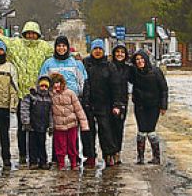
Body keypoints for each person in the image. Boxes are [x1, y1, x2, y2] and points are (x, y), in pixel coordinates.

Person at [0, 18, 54, 165]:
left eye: (33, 33)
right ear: (24, 33)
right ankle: (23, 155)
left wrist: (76, 58)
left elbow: (59, 54)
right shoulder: (15, 44)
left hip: (38, 95)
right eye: (28, 33)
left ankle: (36, 157)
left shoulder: (44, 47)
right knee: (22, 127)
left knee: (38, 128)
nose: (30, 36)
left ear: (38, 34)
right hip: (20, 94)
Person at [81, 39, 121, 168]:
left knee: (106, 130)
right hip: (88, 103)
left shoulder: (109, 66)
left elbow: (116, 86)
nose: (97, 51)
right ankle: (90, 156)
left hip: (105, 103)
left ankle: (108, 155)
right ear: (91, 50)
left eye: (100, 49)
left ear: (103, 51)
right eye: (95, 49)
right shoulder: (85, 63)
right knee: (88, 131)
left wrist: (116, 104)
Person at [130, 50, 168, 164]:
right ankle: (140, 157)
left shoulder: (156, 72)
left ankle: (156, 157)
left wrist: (163, 105)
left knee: (151, 131)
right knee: (141, 131)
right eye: (137, 59)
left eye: (142, 59)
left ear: (146, 59)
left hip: (153, 106)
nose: (140, 61)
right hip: (140, 105)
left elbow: (164, 89)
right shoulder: (134, 73)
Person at [49, 72, 88, 170]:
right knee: (60, 146)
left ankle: (74, 163)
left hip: (72, 125)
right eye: (54, 83)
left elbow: (78, 109)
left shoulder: (70, 93)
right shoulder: (50, 96)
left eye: (58, 82)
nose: (56, 85)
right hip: (59, 125)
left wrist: (84, 124)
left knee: (72, 145)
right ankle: (61, 163)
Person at [19, 75, 54, 169]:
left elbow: (51, 114)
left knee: (42, 144)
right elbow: (24, 109)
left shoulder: (49, 99)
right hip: (32, 125)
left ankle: (43, 161)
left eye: (46, 86)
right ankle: (33, 161)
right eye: (42, 86)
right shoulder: (31, 96)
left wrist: (51, 126)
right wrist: (26, 122)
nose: (43, 88)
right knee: (32, 144)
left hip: (43, 125)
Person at [109, 43, 131, 164]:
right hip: (108, 101)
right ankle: (109, 153)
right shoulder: (109, 66)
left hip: (123, 102)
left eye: (122, 52)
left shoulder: (128, 68)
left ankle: (117, 152)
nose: (120, 54)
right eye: (117, 52)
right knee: (108, 128)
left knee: (119, 128)